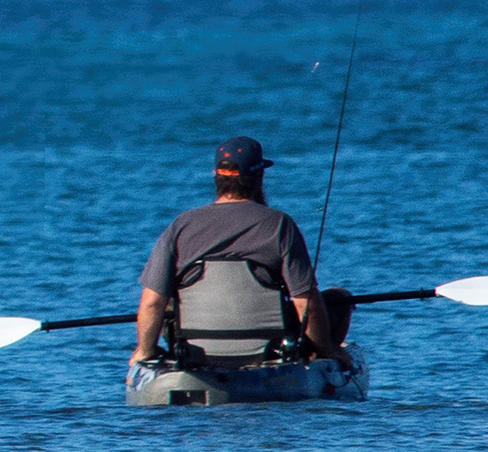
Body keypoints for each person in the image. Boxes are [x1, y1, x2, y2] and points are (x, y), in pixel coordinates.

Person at [132, 137, 350, 366]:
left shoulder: (181, 226)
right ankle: (318, 363)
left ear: (216, 176)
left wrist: (144, 351)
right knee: (340, 298)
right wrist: (326, 348)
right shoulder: (280, 224)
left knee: (168, 301)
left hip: (197, 352)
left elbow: (151, 303)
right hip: (269, 351)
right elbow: (306, 303)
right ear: (260, 177)